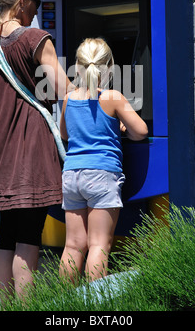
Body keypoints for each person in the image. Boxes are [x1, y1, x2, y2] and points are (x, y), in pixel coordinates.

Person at [0, 0, 72, 297]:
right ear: (22, 2)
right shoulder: (35, 38)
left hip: (0, 149)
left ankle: (6, 306)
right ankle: (27, 307)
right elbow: (66, 91)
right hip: (31, 150)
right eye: (36, 3)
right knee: (29, 235)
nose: (37, 10)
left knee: (6, 233)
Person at [59, 37, 148, 282]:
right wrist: (120, 127)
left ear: (77, 67)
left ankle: (66, 302)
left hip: (72, 175)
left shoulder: (69, 98)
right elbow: (140, 132)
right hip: (101, 175)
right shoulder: (113, 97)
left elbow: (65, 134)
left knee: (74, 246)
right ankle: (95, 305)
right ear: (109, 67)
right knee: (99, 245)